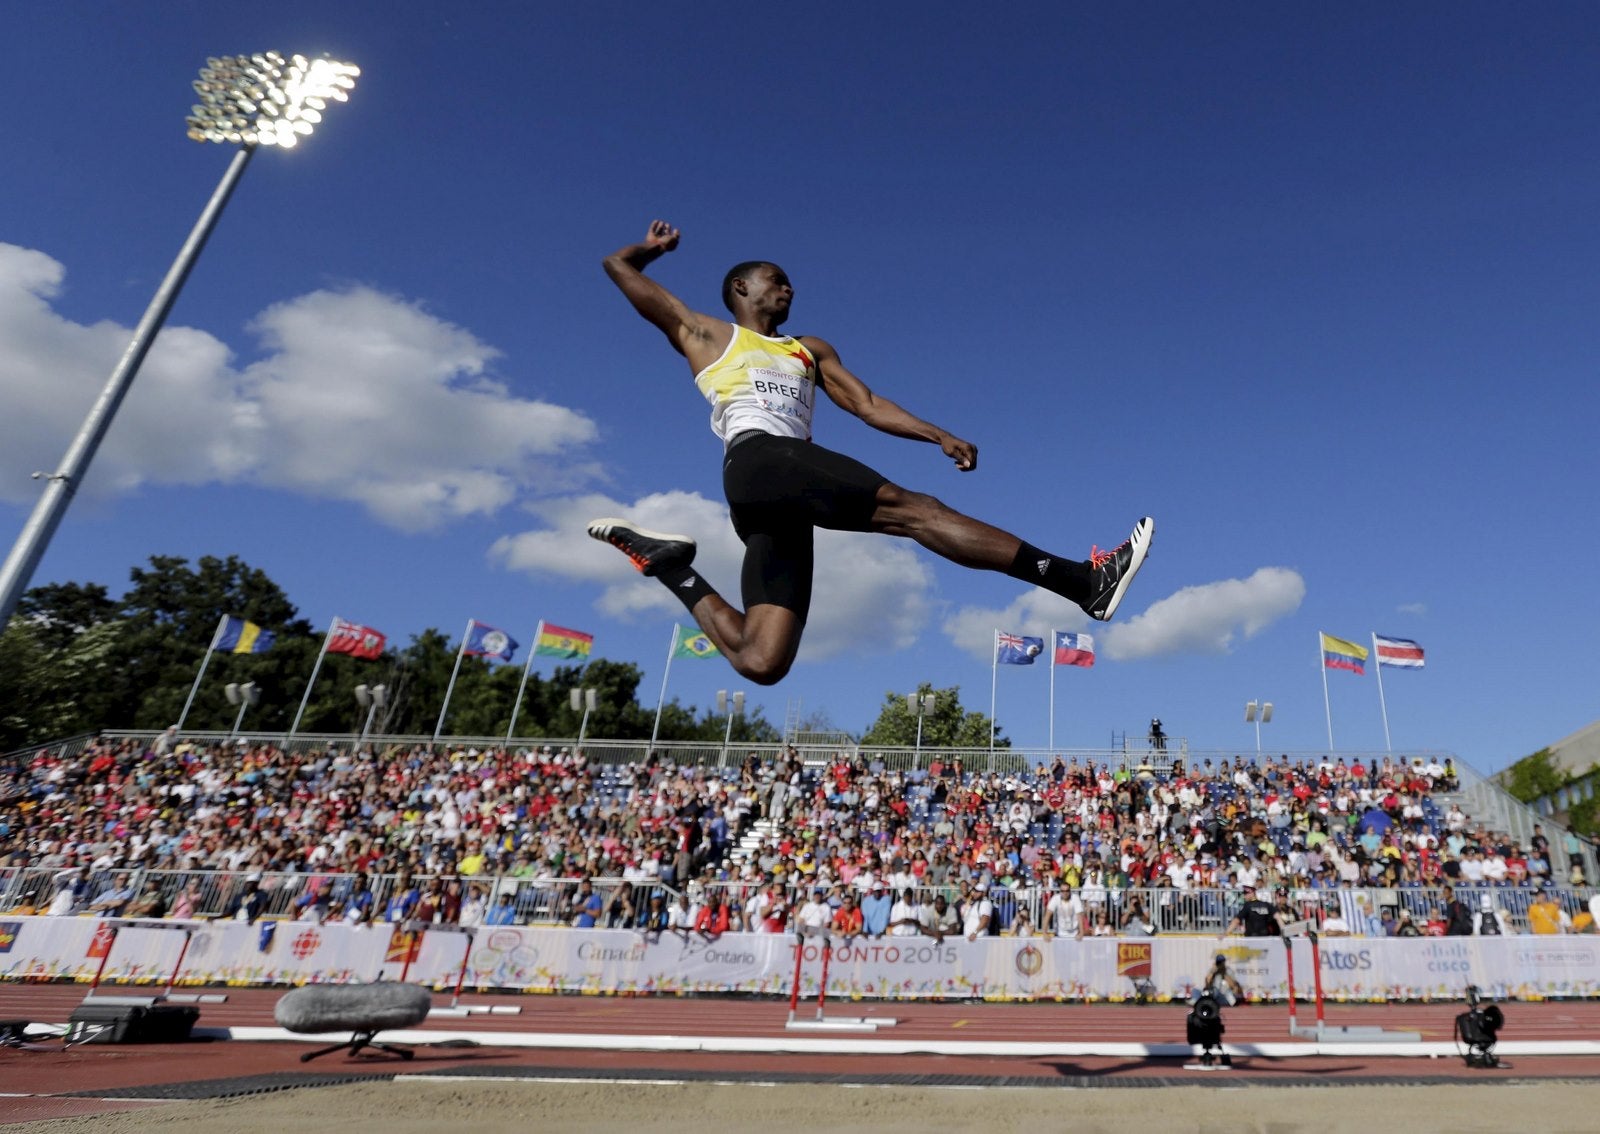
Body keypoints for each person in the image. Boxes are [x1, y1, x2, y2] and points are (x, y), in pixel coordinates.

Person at [590, 221, 1154, 686]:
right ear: (741, 288)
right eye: (777, 280)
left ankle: (671, 569)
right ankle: (1082, 582)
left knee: (761, 659)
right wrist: (652, 249)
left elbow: (866, 404)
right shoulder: (707, 333)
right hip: (761, 458)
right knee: (916, 511)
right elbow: (619, 267)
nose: (789, 289)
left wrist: (936, 434)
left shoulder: (808, 350)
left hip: (774, 497)